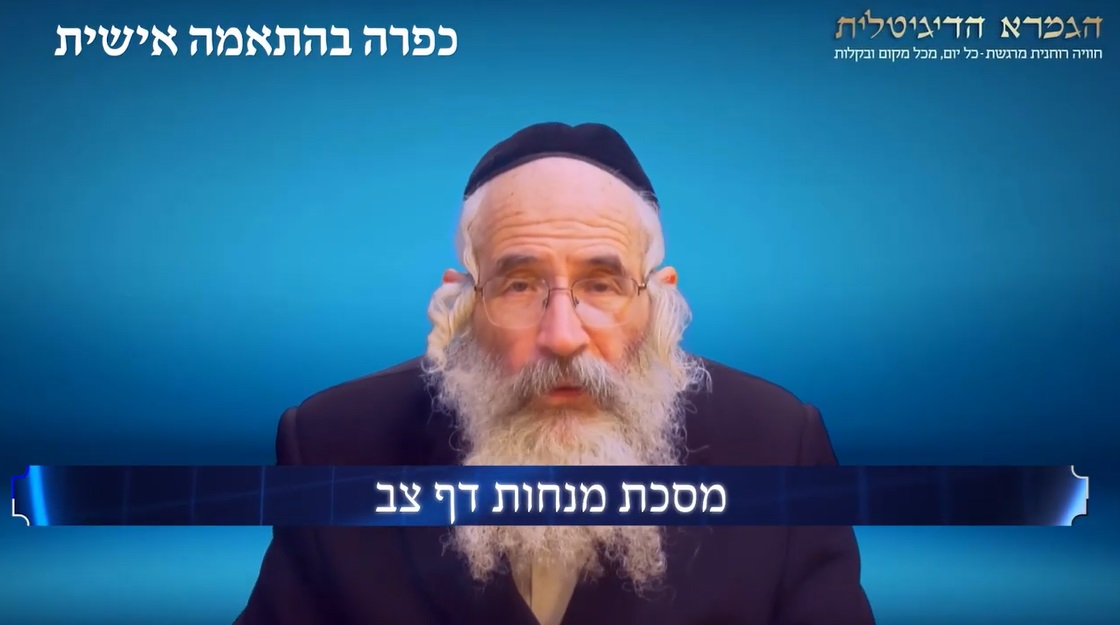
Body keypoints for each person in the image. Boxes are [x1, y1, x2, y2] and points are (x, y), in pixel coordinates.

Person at [235, 122, 875, 625]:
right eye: (519, 285)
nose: (563, 336)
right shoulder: (334, 446)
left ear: (659, 298)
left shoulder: (777, 448)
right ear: (462, 302)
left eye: (602, 284)